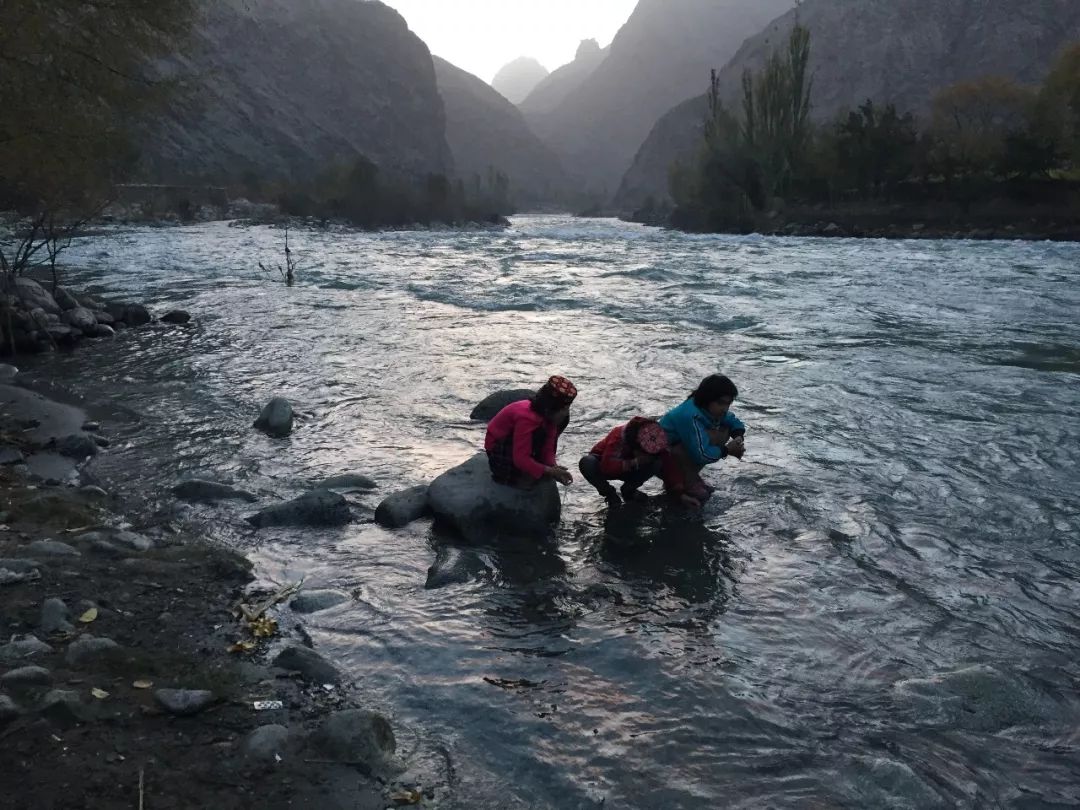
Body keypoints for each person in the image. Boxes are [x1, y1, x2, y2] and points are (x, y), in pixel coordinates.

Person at [659, 374, 746, 503]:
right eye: (721, 403)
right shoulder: (689, 415)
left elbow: (731, 420)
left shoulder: (709, 409)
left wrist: (738, 437)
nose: (725, 408)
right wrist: (727, 450)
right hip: (662, 460)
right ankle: (685, 482)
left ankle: (690, 477)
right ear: (707, 399)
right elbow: (700, 455)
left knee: (725, 429)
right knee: (711, 437)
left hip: (679, 453)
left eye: (728, 404)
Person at [485, 375, 576, 487]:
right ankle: (510, 475)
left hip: (519, 444)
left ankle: (531, 469)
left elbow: (548, 447)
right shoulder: (526, 417)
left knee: (541, 467)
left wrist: (553, 466)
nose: (565, 413)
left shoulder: (550, 418)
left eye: (566, 409)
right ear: (550, 408)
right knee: (528, 478)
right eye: (563, 409)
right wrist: (548, 471)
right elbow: (520, 458)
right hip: (499, 447)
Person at [579, 417, 677, 507]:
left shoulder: (658, 441)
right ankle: (610, 494)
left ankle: (629, 490)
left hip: (632, 469)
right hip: (604, 465)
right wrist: (634, 462)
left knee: (657, 463)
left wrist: (678, 489)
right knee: (587, 463)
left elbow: (669, 468)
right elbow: (607, 467)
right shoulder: (618, 437)